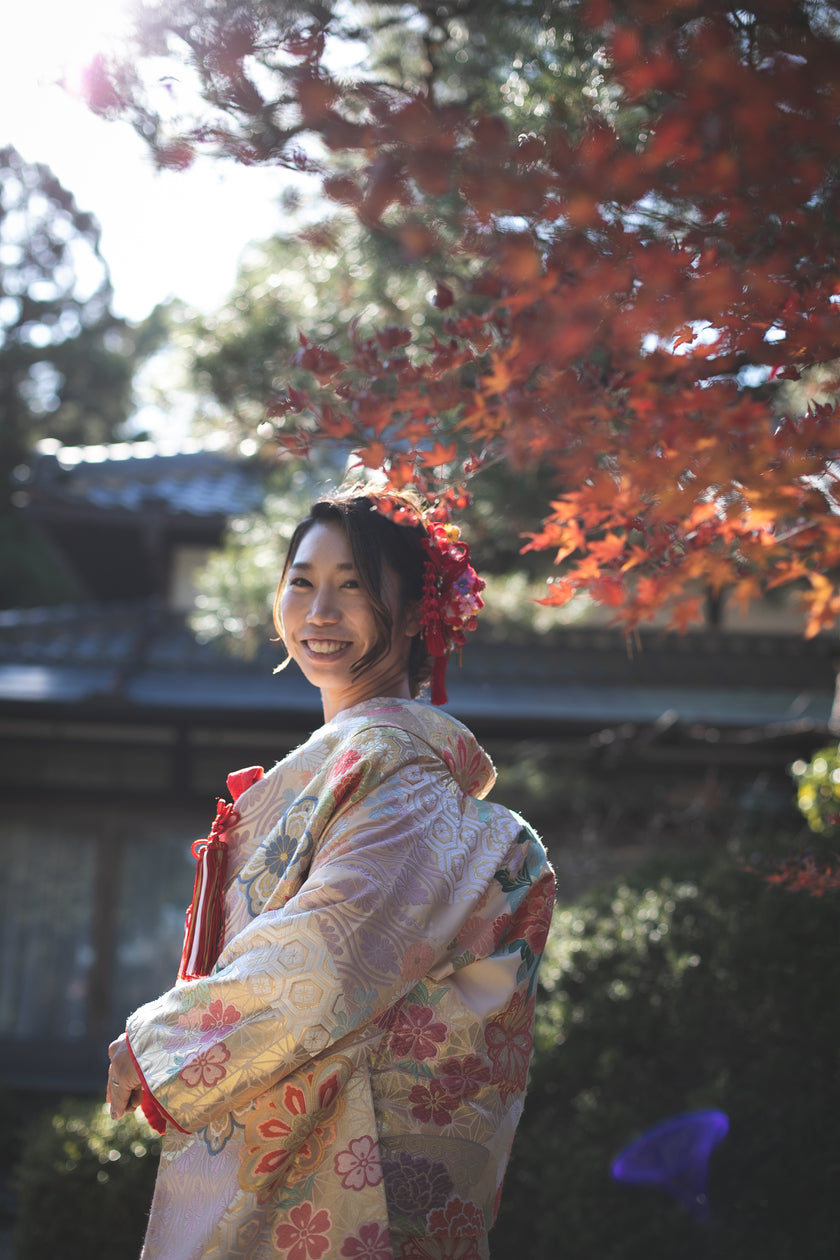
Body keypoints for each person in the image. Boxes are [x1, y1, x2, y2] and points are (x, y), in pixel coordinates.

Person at [108, 485, 555, 1260]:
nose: (319, 610)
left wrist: (162, 1043)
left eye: (352, 585)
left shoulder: (398, 774)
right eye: (302, 581)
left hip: (346, 1174)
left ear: (416, 614)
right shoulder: (372, 764)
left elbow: (331, 952)